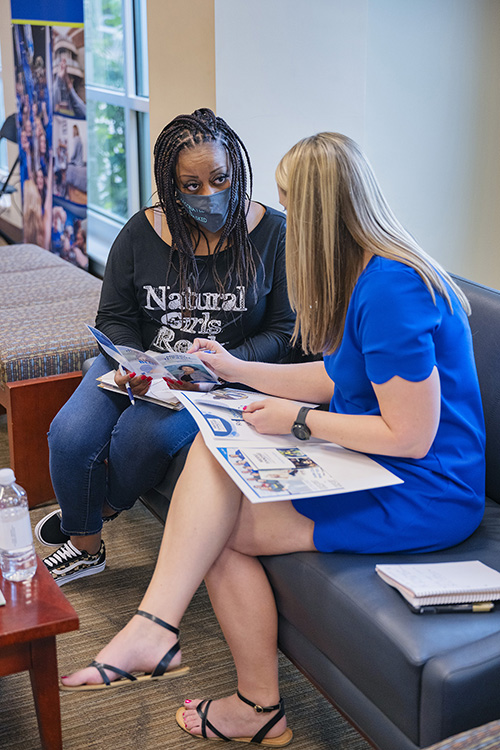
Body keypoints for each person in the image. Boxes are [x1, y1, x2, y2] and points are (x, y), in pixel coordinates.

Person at [59, 132, 485, 747]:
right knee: (214, 453)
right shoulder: (367, 271)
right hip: (379, 461)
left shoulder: (394, 288)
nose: (273, 208)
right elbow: (335, 376)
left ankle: (247, 699)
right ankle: (157, 628)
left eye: (286, 196)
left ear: (312, 210)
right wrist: (235, 370)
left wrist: (298, 421)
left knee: (217, 533)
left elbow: (412, 436)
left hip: (421, 488)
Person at [36, 108, 295, 588]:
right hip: (139, 364)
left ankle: (95, 514)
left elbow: (284, 329)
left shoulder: (274, 234)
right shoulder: (140, 233)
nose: (209, 195)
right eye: (191, 185)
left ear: (236, 169)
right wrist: (130, 362)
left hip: (218, 377)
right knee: (69, 434)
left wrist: (231, 363)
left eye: (219, 179)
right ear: (170, 186)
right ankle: (87, 548)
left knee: (141, 437)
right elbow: (115, 318)